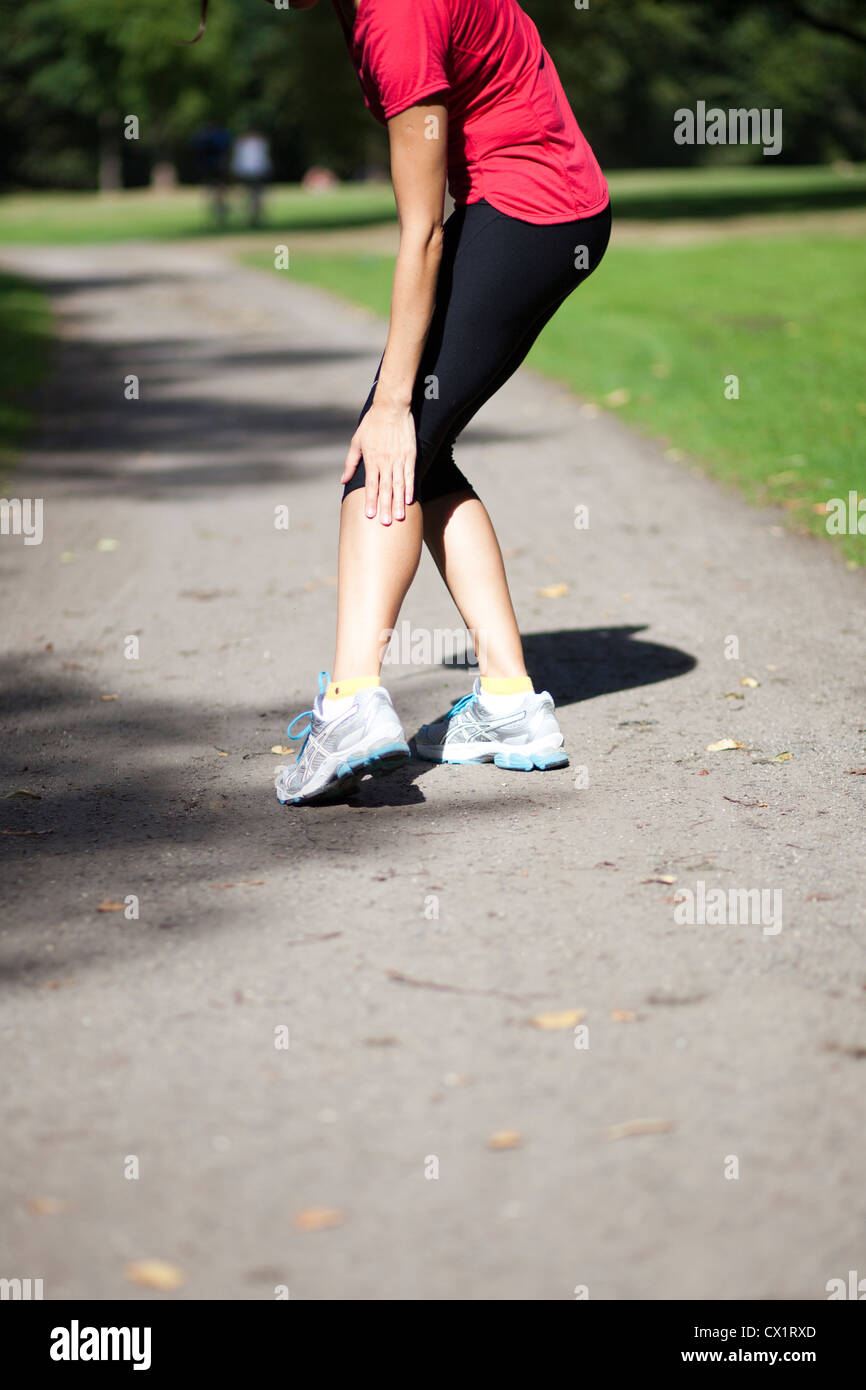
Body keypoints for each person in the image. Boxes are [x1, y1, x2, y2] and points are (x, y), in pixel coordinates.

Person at [189, 0, 612, 805]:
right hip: (548, 207)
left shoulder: (394, 18)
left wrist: (388, 406)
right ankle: (509, 702)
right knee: (426, 447)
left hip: (533, 212)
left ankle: (351, 705)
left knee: (384, 448)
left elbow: (421, 234)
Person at [231, 127, 273, 227]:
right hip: (250, 172)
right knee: (252, 195)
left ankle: (255, 216)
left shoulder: (254, 143)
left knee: (255, 195)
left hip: (255, 172)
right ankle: (253, 216)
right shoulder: (247, 143)